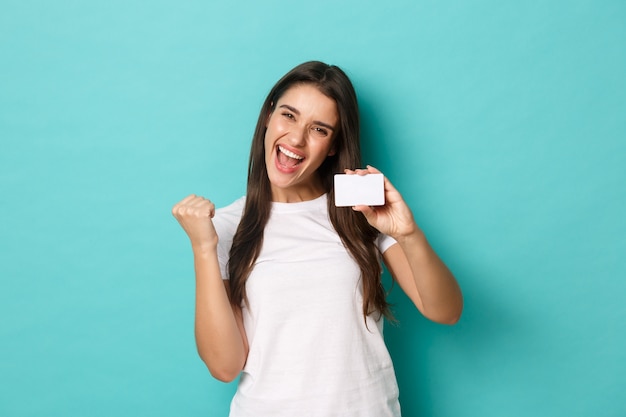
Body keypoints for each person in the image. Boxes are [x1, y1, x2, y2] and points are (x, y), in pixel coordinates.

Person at [171, 61, 463, 417]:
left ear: (333, 146)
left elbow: (446, 311)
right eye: (289, 116)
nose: (296, 139)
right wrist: (204, 248)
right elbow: (225, 366)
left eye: (319, 129)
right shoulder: (229, 225)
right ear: (268, 117)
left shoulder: (359, 210)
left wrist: (408, 234)